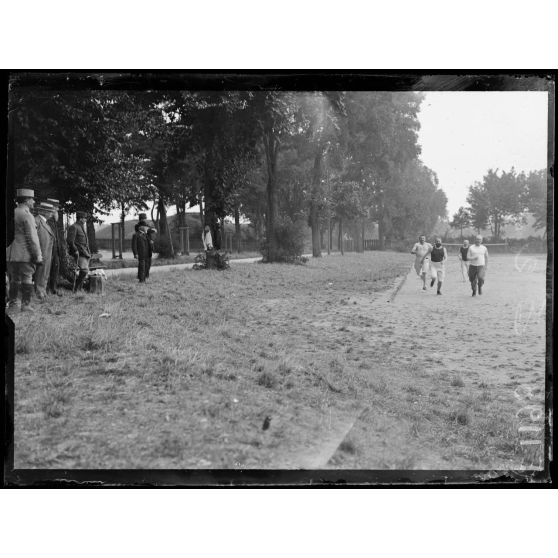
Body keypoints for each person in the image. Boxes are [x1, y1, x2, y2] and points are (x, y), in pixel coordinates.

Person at [6, 189, 43, 312]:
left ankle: (12, 305)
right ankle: (25, 305)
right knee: (27, 278)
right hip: (24, 255)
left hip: (10, 254)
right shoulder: (27, 215)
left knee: (14, 279)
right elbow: (32, 238)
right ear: (27, 200)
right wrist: (37, 255)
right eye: (32, 199)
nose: (33, 202)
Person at [33, 202, 56, 300]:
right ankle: (39, 292)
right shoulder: (36, 221)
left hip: (46, 253)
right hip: (41, 253)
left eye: (51, 211)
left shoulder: (45, 222)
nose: (51, 213)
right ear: (42, 211)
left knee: (45, 272)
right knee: (40, 273)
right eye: (49, 211)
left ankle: (42, 291)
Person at [66, 211, 91, 292]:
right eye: (84, 218)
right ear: (80, 219)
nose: (85, 220)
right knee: (84, 270)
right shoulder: (74, 227)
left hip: (84, 252)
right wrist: (75, 250)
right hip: (78, 253)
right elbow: (70, 241)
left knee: (85, 270)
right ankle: (76, 288)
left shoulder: (81, 227)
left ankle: (79, 288)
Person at [46, 198, 63, 295]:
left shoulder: (54, 222)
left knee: (55, 269)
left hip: (55, 250)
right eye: (55, 208)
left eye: (57, 209)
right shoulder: (48, 221)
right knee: (48, 269)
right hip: (49, 250)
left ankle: (53, 288)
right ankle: (47, 289)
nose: (57, 211)